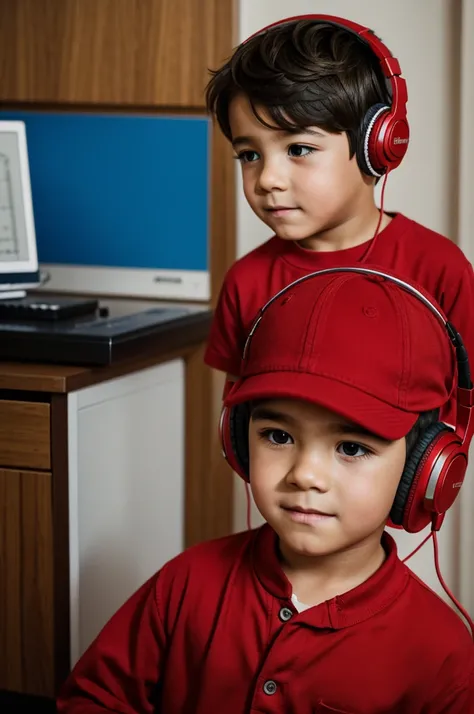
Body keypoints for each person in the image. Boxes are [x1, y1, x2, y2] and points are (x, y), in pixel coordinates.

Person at [57, 267, 474, 713]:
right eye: (278, 436)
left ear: (426, 468)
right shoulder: (186, 584)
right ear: (236, 438)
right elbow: (94, 698)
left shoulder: (441, 655)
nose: (304, 475)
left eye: (351, 447)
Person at [204, 14, 474, 424]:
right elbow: (238, 421)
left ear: (377, 146)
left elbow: (462, 409)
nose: (268, 180)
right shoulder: (247, 281)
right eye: (250, 155)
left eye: (298, 149)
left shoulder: (440, 269)